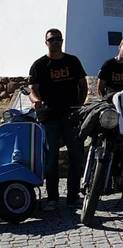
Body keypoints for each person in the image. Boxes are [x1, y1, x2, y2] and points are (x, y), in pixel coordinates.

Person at [28, 28, 88, 210]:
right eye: (52, 39)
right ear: (46, 42)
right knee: (51, 158)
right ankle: (52, 198)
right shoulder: (39, 65)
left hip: (71, 116)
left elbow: (83, 85)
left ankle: (73, 196)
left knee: (76, 155)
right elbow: (32, 89)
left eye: (58, 39)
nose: (55, 42)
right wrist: (37, 101)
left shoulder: (73, 61)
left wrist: (79, 104)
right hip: (49, 117)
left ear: (62, 41)